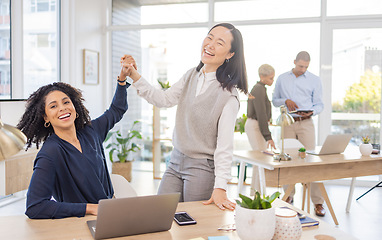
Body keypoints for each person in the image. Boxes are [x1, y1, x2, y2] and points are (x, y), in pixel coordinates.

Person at [121, 23, 248, 210]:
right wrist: (134, 74)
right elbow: (163, 99)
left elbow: (224, 146)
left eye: (219, 42)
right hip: (175, 160)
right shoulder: (191, 75)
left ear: (230, 54)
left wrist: (220, 186)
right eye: (209, 37)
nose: (210, 44)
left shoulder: (229, 96)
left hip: (202, 168)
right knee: (159, 213)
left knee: (193, 224)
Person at [17, 63, 131, 219]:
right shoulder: (50, 152)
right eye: (53, 106)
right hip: (80, 222)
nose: (62, 108)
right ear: (46, 118)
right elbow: (35, 207)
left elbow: (117, 110)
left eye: (66, 102)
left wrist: (122, 79)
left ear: (74, 106)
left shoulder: (91, 131)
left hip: (111, 213)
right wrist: (90, 209)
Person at [272, 51, 325, 216]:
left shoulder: (314, 80)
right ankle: (288, 197)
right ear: (294, 62)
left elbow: (319, 104)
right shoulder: (282, 78)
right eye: (301, 66)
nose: (303, 69)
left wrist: (311, 112)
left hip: (306, 123)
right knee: (287, 160)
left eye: (306, 67)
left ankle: (318, 202)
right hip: (288, 123)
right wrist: (285, 101)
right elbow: (274, 100)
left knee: (312, 161)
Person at [245, 64, 276, 194]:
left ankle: (256, 193)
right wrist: (268, 137)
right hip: (255, 126)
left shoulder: (260, 88)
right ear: (262, 76)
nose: (272, 81)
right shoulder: (259, 89)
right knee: (260, 160)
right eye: (270, 78)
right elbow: (261, 114)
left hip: (256, 125)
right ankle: (256, 194)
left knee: (259, 161)